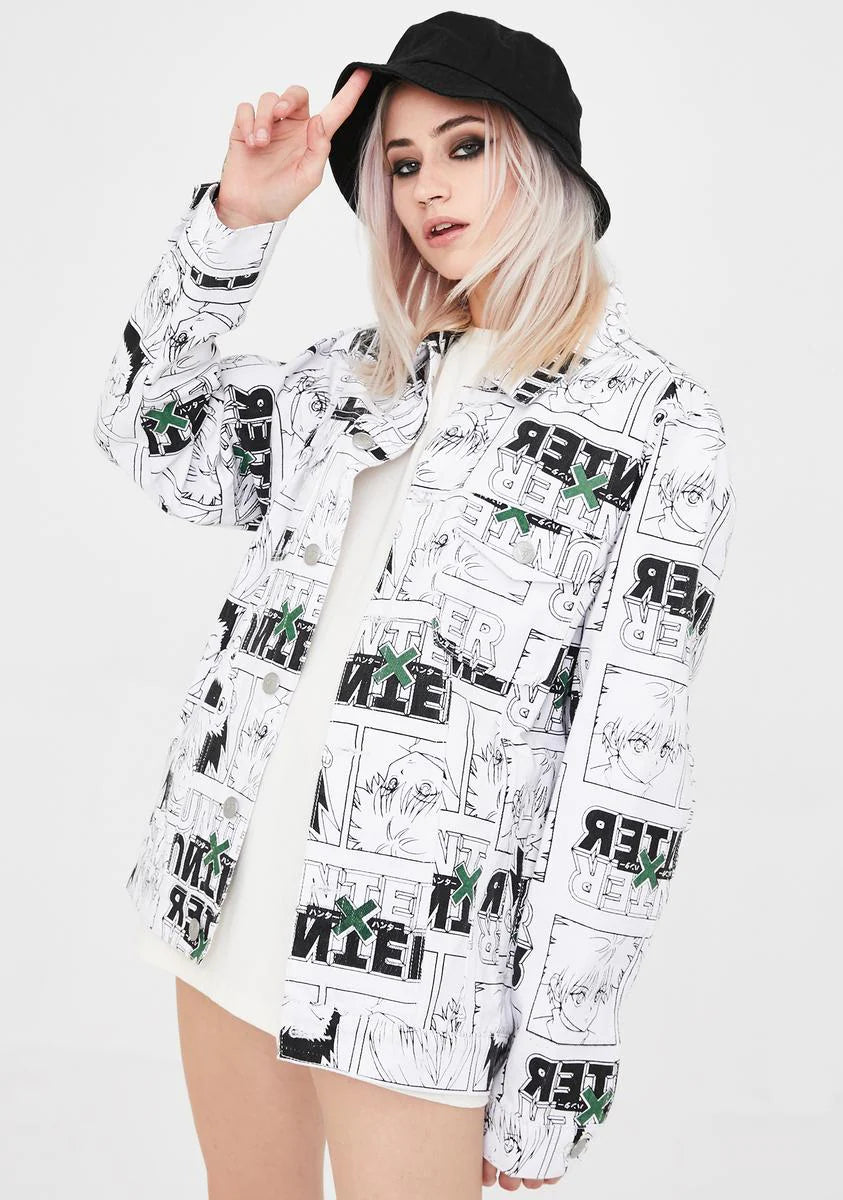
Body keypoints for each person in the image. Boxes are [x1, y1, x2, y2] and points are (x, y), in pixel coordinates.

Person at [94, 11, 736, 1198]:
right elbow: (148, 426)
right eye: (399, 163)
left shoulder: (656, 424)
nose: (427, 188)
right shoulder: (349, 378)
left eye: (464, 147)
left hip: (422, 969)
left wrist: (553, 1076)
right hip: (226, 893)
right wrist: (238, 220)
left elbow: (626, 768)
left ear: (543, 162)